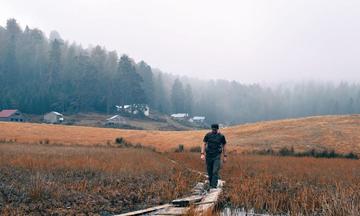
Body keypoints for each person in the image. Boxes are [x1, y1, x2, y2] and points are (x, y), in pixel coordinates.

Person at [201, 123, 227, 189]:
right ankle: (210, 184)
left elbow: (224, 145)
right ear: (211, 129)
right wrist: (202, 154)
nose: (214, 130)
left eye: (215, 129)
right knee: (209, 171)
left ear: (217, 129)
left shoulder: (221, 136)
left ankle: (213, 187)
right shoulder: (208, 135)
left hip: (217, 156)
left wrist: (225, 156)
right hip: (208, 155)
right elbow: (204, 143)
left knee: (215, 171)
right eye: (213, 129)